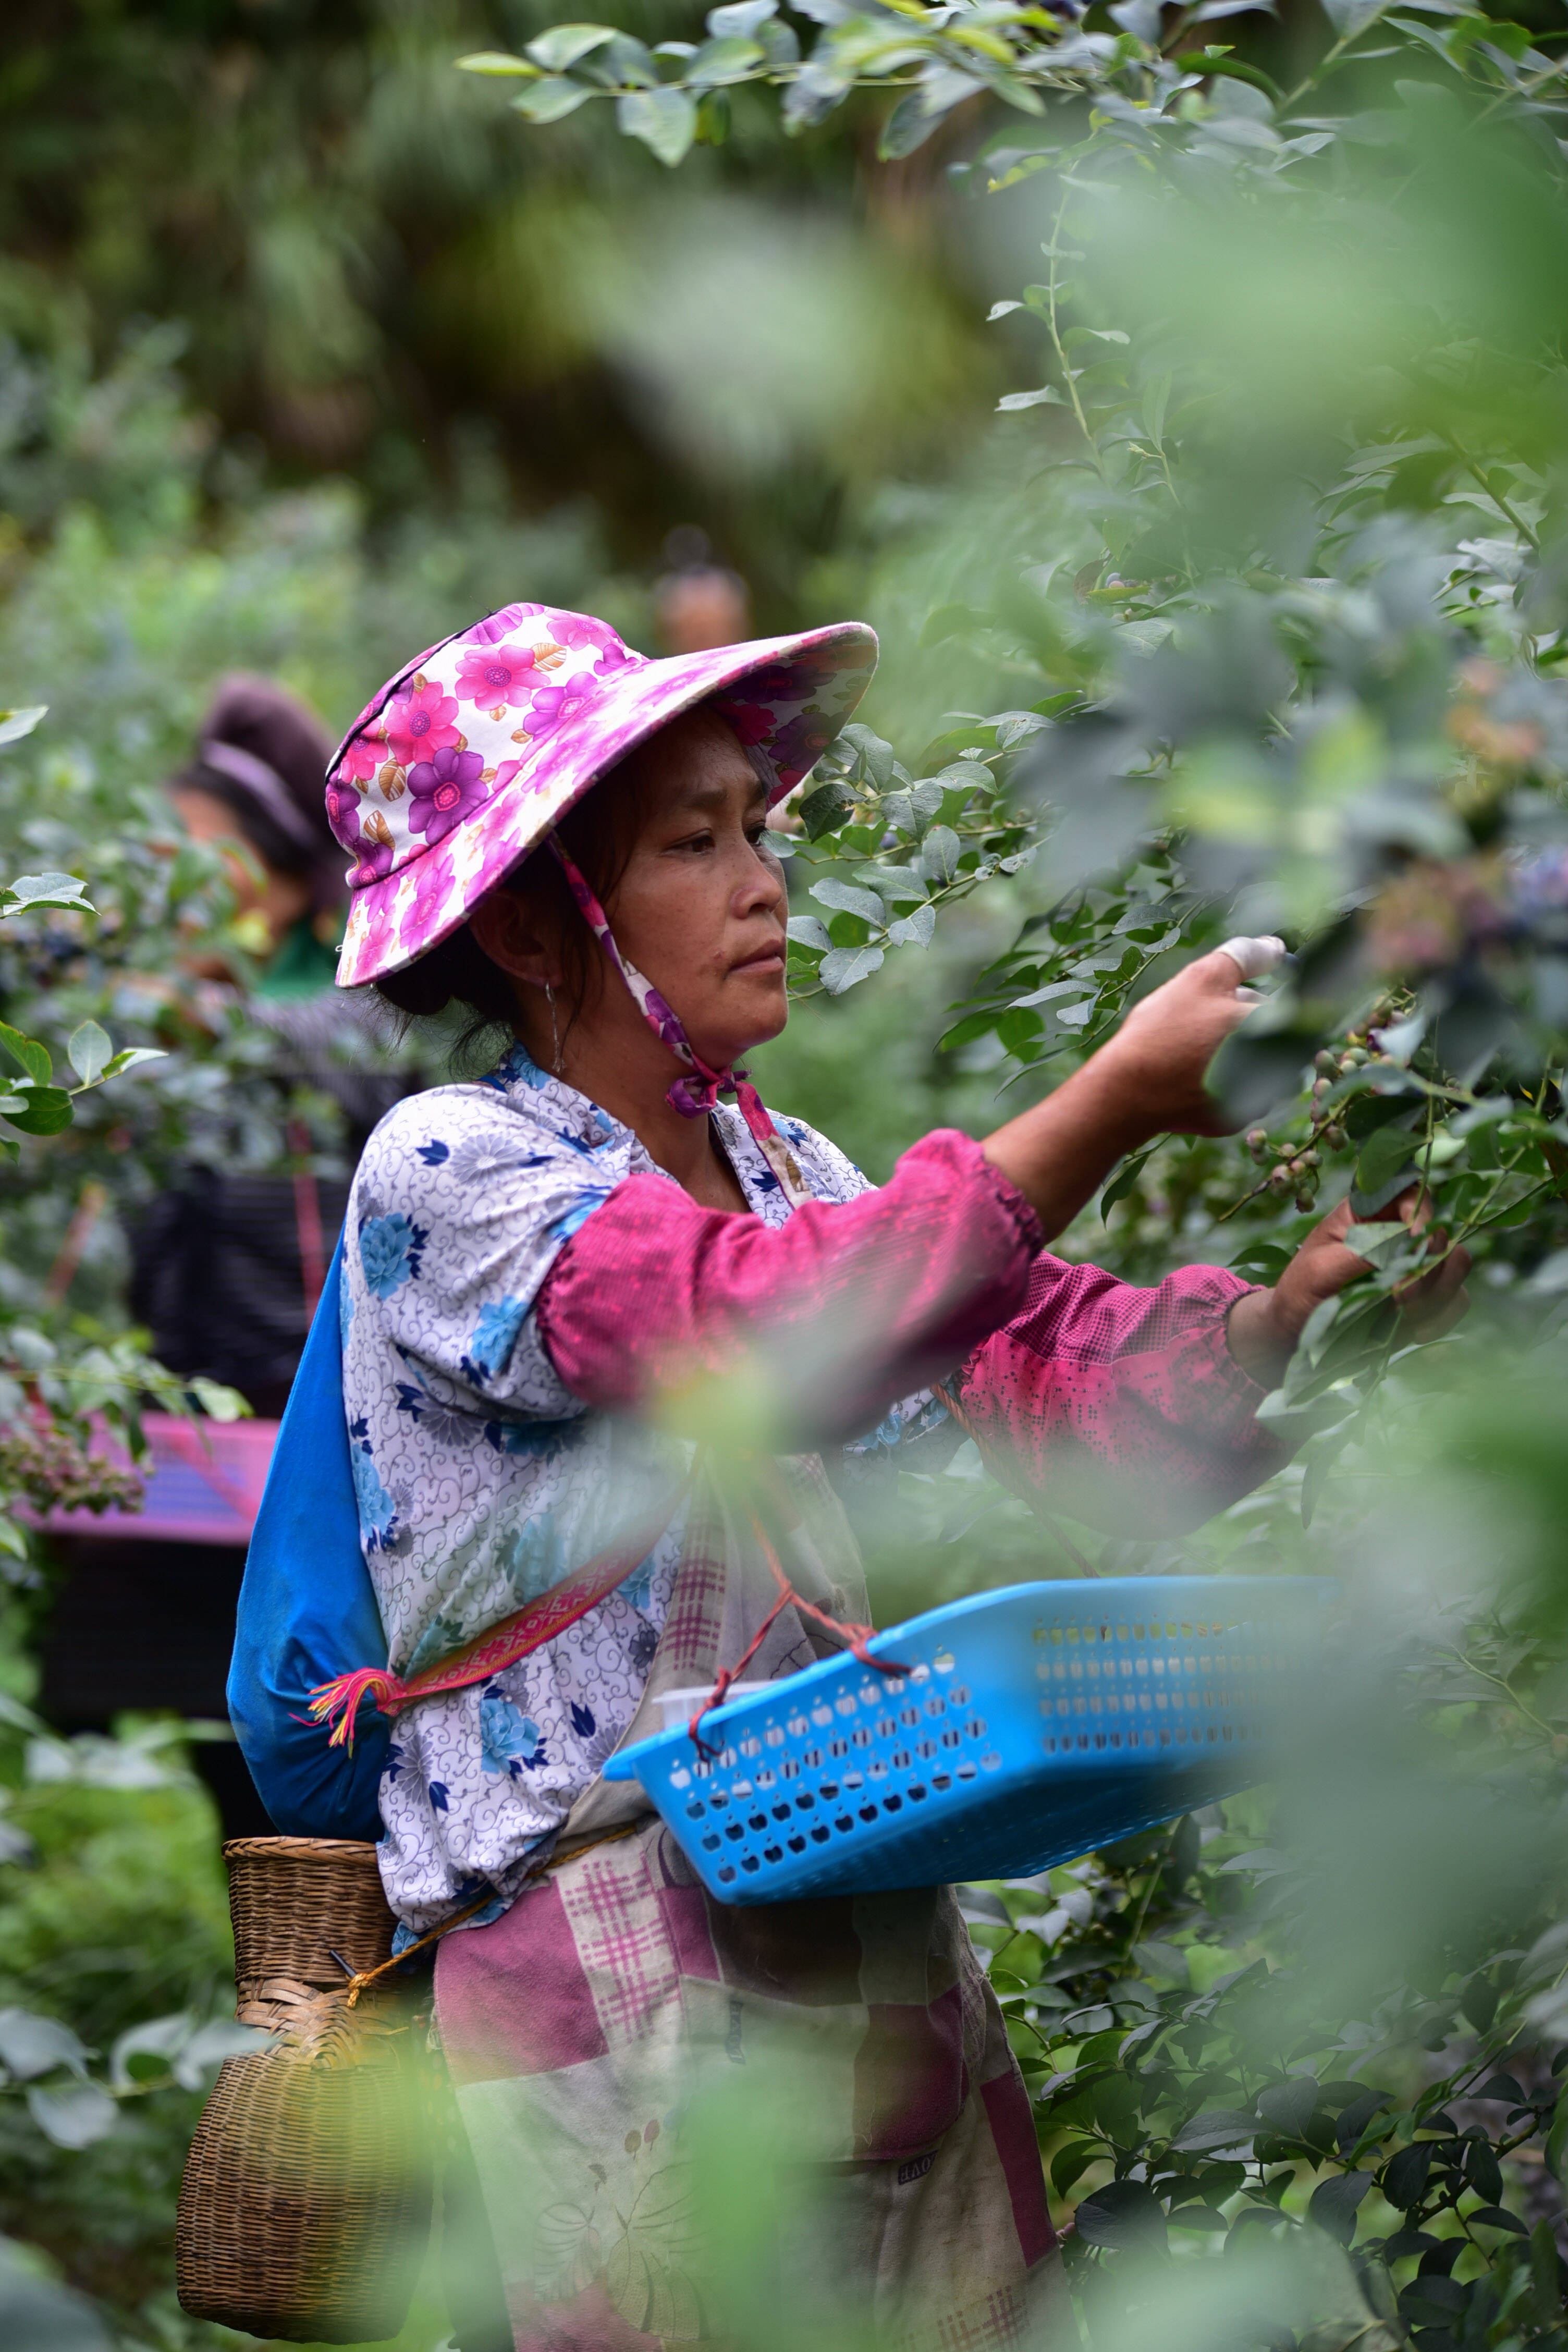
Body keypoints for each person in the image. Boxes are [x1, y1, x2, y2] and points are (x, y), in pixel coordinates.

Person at [230, 603, 1469, 2351]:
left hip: (862, 1923)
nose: (761, 879)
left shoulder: (784, 1164)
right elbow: (753, 1333)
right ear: (526, 916)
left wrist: (1288, 1317)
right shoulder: (451, 1170)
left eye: (755, 827)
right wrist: (1102, 1099)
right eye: (691, 840)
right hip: (609, 1968)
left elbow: (1040, 1382)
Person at [38, 677, 415, 1841]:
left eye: (205, 868)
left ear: (299, 891)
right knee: (244, 1781)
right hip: (180, 1481)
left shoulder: (341, 1017)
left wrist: (136, 1000)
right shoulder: (164, 1026)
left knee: (311, 1774)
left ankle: (338, 2004)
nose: (176, 898)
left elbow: (287, 1051)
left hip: (297, 1460)